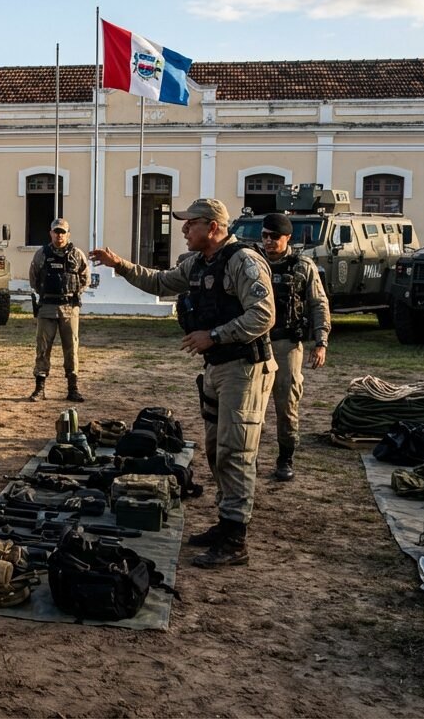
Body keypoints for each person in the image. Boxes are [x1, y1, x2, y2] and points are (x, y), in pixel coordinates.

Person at [89, 197, 275, 569]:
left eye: (190, 223)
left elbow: (264, 314)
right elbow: (159, 280)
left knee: (234, 451)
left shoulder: (243, 261)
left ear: (214, 226)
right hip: (218, 368)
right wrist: (119, 265)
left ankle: (236, 539)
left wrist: (216, 335)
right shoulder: (197, 264)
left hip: (244, 366)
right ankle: (226, 522)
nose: (184, 230)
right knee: (214, 448)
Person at [257, 213, 329, 482]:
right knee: (252, 406)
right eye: (264, 235)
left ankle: (285, 458)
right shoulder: (253, 263)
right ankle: (248, 459)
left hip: (286, 344)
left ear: (287, 238)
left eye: (274, 237)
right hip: (254, 343)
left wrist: (320, 341)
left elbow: (318, 304)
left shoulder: (302, 266)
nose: (268, 241)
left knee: (286, 405)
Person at [28, 218, 91, 402]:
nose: (59, 235)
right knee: (43, 347)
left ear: (68, 234)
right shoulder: (42, 254)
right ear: (51, 233)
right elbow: (34, 278)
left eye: (63, 232)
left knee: (71, 348)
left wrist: (72, 294)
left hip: (69, 308)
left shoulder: (76, 255)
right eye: (56, 232)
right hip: (47, 307)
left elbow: (85, 279)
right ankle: (39, 389)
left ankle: (73, 388)